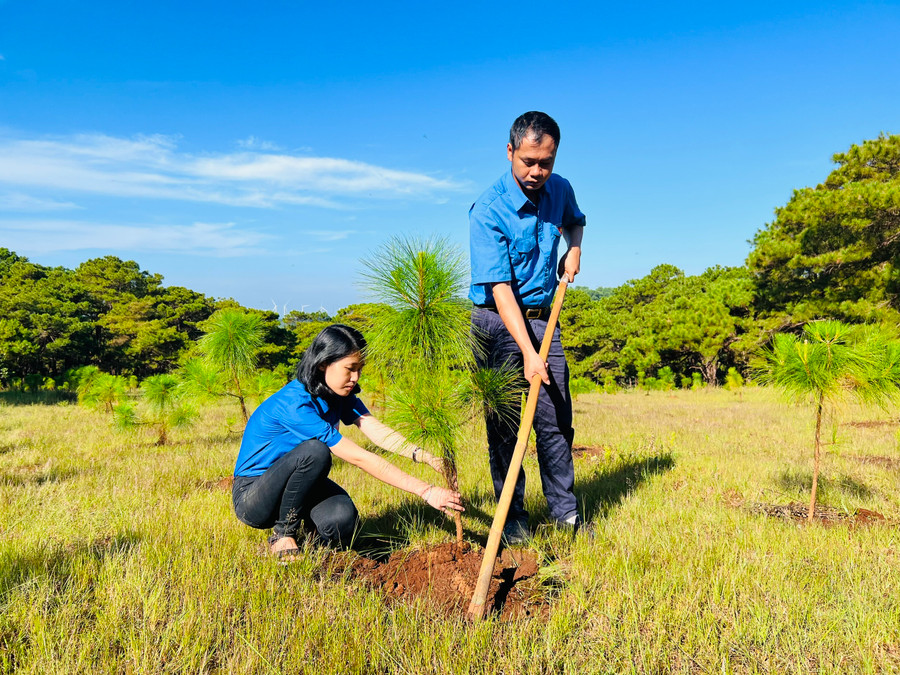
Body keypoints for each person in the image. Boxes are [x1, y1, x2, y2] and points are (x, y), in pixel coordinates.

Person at [232, 324, 463, 559]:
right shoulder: (294, 403)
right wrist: (426, 491)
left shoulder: (339, 394)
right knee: (316, 451)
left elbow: (376, 430)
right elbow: (358, 457)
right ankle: (283, 534)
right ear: (323, 363)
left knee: (343, 522)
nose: (356, 378)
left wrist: (427, 457)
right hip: (254, 494)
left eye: (360, 369)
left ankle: (311, 533)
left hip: (301, 483)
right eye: (350, 369)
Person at [469, 111, 586, 544]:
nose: (537, 172)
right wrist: (528, 354)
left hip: (543, 319)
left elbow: (575, 220)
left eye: (546, 162)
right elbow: (499, 288)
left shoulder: (560, 189)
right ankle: (513, 519)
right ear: (510, 152)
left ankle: (566, 516)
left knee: (555, 419)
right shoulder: (488, 210)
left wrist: (573, 249)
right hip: (496, 322)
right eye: (528, 161)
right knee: (505, 426)